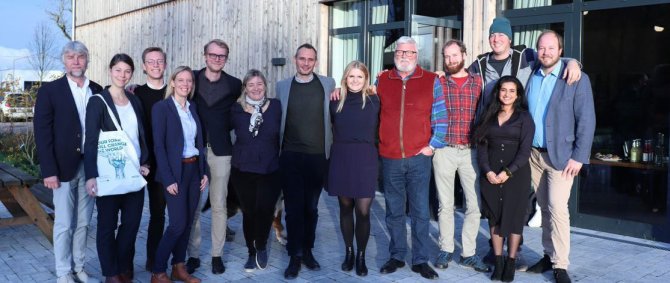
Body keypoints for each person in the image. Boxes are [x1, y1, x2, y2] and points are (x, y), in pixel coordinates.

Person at [469, 17, 582, 268]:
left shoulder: (526, 56)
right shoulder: (479, 63)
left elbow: (551, 57)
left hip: (532, 146)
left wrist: (574, 61)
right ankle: (506, 251)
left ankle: (543, 259)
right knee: (502, 200)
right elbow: (460, 81)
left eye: (501, 35)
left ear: (510, 38)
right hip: (507, 144)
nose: (496, 39)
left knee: (535, 204)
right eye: (493, 35)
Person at [524, 30, 595, 283]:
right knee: (543, 207)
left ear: (561, 51)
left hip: (563, 157)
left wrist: (579, 157)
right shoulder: (531, 73)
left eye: (551, 48)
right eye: (542, 48)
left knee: (557, 208)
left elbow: (586, 121)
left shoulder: (575, 77)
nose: (545, 52)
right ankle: (547, 254)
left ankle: (560, 264)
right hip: (534, 155)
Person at [377, 36, 446, 280]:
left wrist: (432, 146)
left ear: (417, 55)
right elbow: (359, 91)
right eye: (400, 52)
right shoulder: (382, 79)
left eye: (409, 52)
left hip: (419, 157)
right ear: (395, 53)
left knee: (419, 212)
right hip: (390, 157)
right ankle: (396, 255)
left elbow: (441, 117)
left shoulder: (430, 80)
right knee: (394, 211)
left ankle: (420, 260)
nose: (404, 56)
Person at [34, 41, 103, 283]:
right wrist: (49, 170)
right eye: (71, 57)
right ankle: (63, 272)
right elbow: (42, 133)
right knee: (64, 223)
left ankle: (79, 267)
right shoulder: (50, 91)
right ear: (64, 60)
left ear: (87, 60)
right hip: (62, 168)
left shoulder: (97, 89)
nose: (76, 61)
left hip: (91, 166)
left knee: (84, 222)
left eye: (81, 56)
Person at [84, 53, 150, 283]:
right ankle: (111, 273)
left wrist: (146, 163)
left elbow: (142, 136)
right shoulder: (97, 101)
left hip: (133, 174)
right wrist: (90, 176)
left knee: (131, 226)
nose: (122, 75)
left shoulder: (135, 101)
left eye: (127, 71)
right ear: (110, 70)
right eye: (118, 70)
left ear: (132, 73)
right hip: (108, 175)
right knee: (106, 227)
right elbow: (90, 141)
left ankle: (124, 266)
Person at [276, 43, 336, 280]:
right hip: (290, 156)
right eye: (302, 58)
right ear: (295, 59)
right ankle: (294, 256)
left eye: (310, 59)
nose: (306, 63)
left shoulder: (328, 84)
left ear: (316, 61)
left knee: (311, 208)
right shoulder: (282, 86)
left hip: (317, 156)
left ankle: (308, 251)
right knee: (293, 210)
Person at [431, 39, 490, 273]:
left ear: (464, 55)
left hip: (471, 152)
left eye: (455, 55)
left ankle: (468, 253)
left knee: (474, 205)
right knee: (445, 205)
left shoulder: (479, 81)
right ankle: (445, 249)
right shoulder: (437, 82)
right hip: (444, 150)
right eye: (446, 56)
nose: (450, 60)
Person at [472, 76, 535, 282]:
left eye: (512, 91)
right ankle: (498, 263)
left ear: (518, 95)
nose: (507, 94)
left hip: (516, 176)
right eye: (503, 90)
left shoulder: (524, 118)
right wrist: (488, 171)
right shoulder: (488, 115)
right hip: (490, 174)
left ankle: (511, 262)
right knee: (495, 217)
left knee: (514, 218)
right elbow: (481, 147)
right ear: (498, 92)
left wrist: (507, 173)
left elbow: (525, 152)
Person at [187, 39, 241, 275]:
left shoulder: (234, 84)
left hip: (221, 152)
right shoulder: (191, 79)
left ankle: (217, 255)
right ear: (205, 55)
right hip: (193, 151)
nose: (217, 59)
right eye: (213, 54)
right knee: (194, 206)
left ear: (226, 58)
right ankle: (194, 255)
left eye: (222, 56)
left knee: (219, 204)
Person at [150, 66, 209, 283]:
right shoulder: (162, 108)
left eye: (189, 81)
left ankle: (178, 266)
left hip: (194, 170)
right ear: (172, 82)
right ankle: (157, 271)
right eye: (181, 80)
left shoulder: (192, 108)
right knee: (177, 224)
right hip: (175, 172)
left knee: (188, 222)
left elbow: (198, 143)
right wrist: (168, 178)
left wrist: (204, 172)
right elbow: (159, 147)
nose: (185, 84)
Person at [327, 61, 380, 277]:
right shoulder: (336, 101)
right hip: (342, 157)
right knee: (345, 208)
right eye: (351, 77)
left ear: (366, 78)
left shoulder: (375, 100)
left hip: (366, 158)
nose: (355, 80)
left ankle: (361, 255)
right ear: (345, 79)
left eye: (359, 77)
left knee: (363, 210)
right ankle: (349, 252)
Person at [229, 69, 282, 272]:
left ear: (265, 86)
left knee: (265, 211)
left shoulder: (276, 107)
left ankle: (261, 245)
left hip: (270, 169)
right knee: (249, 212)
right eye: (251, 85)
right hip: (243, 170)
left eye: (259, 84)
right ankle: (252, 252)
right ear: (245, 88)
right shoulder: (236, 109)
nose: (256, 88)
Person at [134, 46, 168, 271]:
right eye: (151, 61)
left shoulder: (174, 91)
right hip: (140, 163)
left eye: (160, 61)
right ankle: (125, 264)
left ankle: (154, 259)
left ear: (165, 64)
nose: (156, 65)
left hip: (164, 164)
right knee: (133, 215)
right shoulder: (135, 94)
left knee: (158, 214)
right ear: (144, 66)